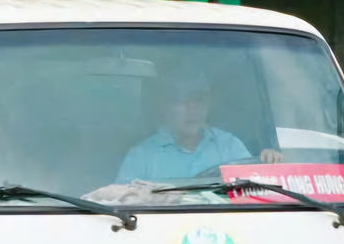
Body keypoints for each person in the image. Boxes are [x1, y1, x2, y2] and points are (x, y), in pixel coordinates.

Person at [117, 76, 279, 183]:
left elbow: (252, 191)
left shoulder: (228, 145)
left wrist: (269, 165)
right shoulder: (142, 155)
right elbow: (120, 200)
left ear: (209, 106)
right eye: (182, 101)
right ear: (166, 107)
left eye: (199, 100)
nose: (192, 109)